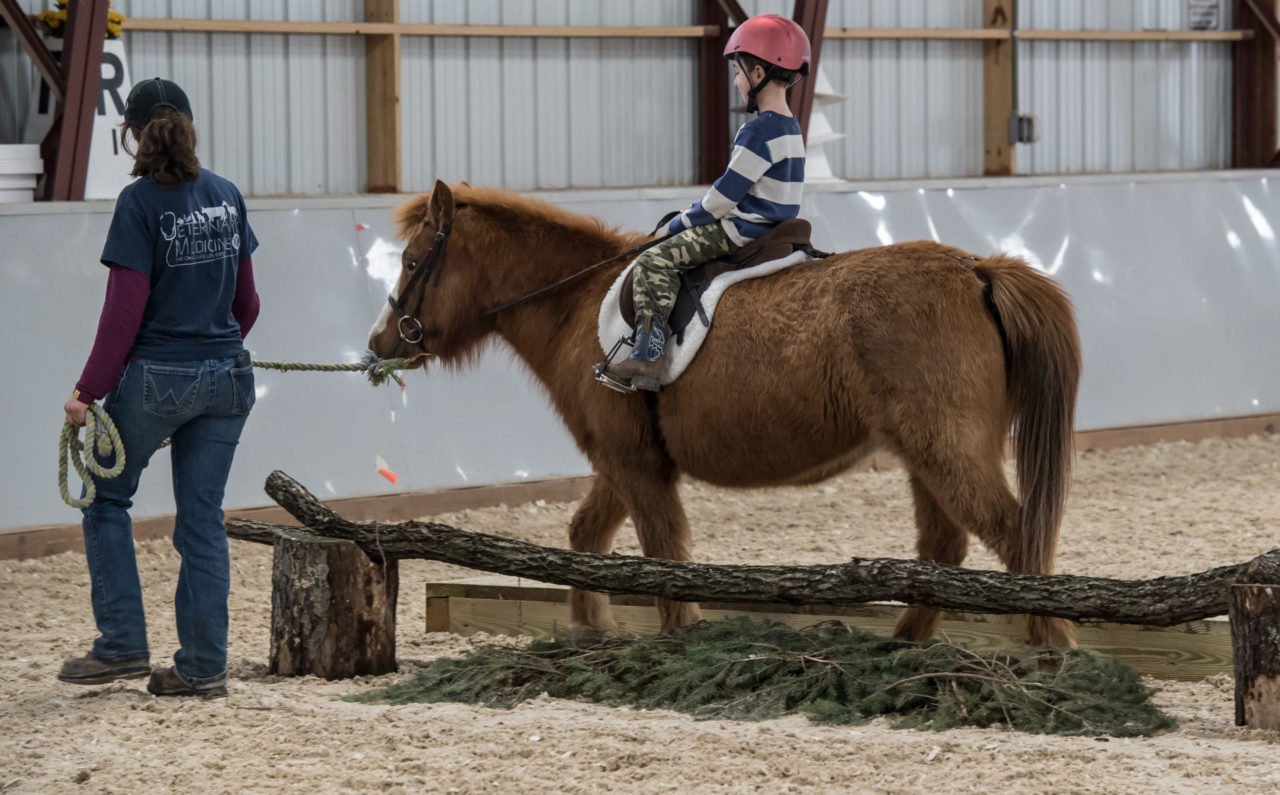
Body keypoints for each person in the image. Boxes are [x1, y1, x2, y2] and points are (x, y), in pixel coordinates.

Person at [57, 78, 261, 699]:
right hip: (228, 378)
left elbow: (123, 313)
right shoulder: (226, 195)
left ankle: (121, 641)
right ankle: (202, 668)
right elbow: (247, 303)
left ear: (132, 135)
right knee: (202, 520)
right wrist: (214, 348)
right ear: (191, 126)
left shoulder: (138, 202)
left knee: (104, 497)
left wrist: (87, 393)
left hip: (159, 380)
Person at [601, 13, 809, 392]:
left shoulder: (758, 131)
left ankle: (648, 356)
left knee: (654, 260)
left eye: (738, 71)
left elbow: (722, 200)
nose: (735, 80)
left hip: (741, 231)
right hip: (774, 228)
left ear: (758, 73)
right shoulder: (791, 126)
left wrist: (676, 224)